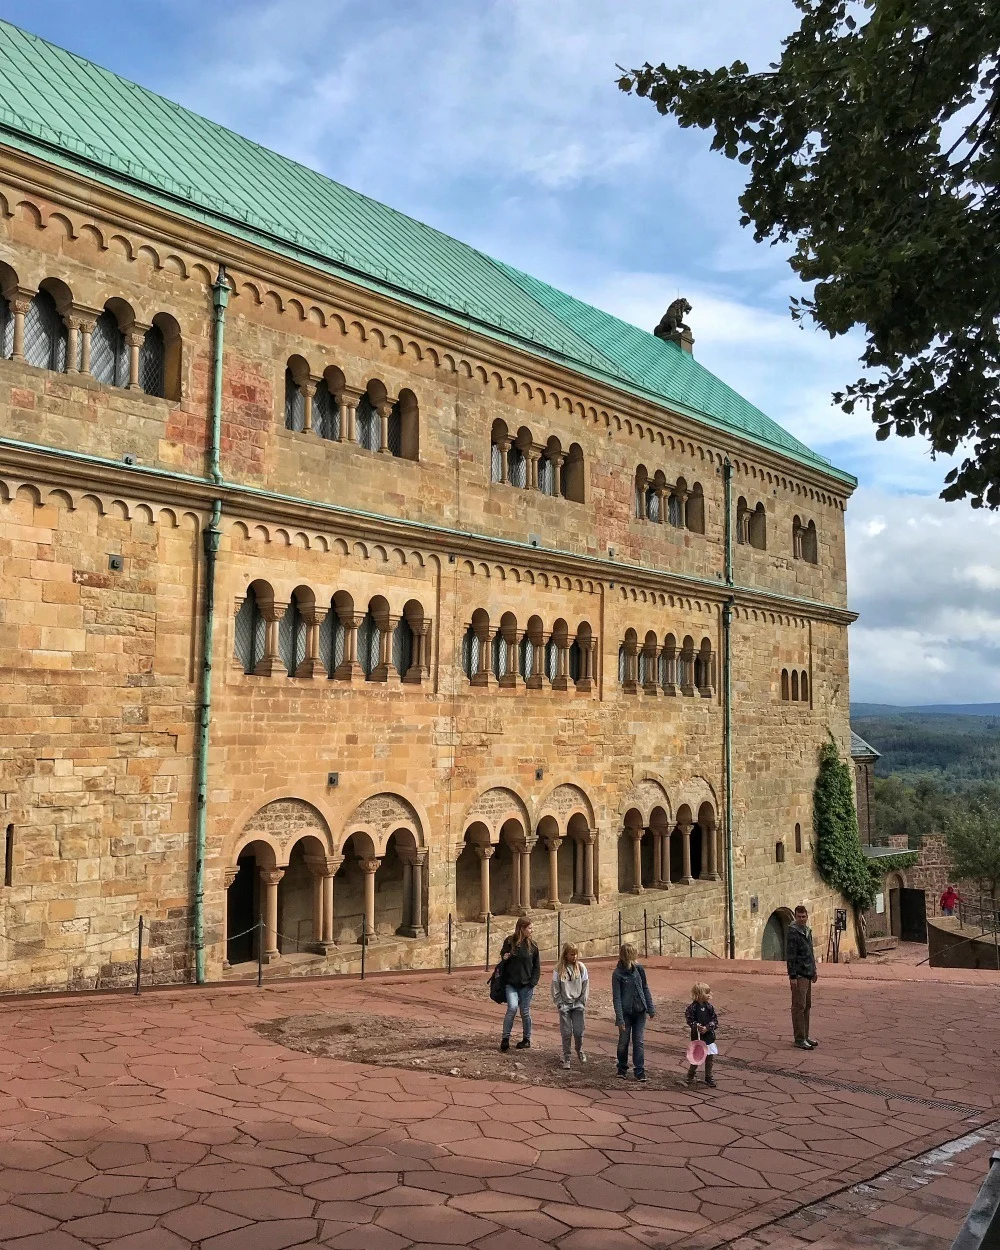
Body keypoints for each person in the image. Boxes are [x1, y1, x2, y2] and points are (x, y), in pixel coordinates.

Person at [612, 942, 655, 1081]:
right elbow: (616, 997)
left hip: (640, 1011)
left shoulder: (639, 969)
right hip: (626, 1013)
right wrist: (620, 1019)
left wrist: (650, 1007)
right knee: (623, 1042)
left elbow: (645, 987)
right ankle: (622, 1067)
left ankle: (639, 1070)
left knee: (639, 1042)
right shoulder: (617, 974)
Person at [498, 916, 540, 1052]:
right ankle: (505, 1038)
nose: (531, 931)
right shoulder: (510, 942)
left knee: (525, 1012)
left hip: (526, 985)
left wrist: (532, 982)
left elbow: (536, 967)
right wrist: (505, 956)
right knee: (512, 1008)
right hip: (511, 984)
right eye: (529, 928)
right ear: (522, 928)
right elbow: (503, 957)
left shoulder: (533, 946)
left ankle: (526, 1039)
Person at [551, 942, 589, 1069]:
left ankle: (579, 1049)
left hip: (578, 1004)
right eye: (572, 954)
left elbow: (585, 986)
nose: (574, 957)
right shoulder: (558, 969)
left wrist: (582, 1002)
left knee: (578, 1031)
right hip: (565, 1005)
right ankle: (567, 1057)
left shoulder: (581, 967)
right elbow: (555, 989)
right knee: (566, 1033)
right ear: (566, 955)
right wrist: (560, 1004)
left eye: (576, 954)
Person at [785, 905, 818, 1050]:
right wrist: (792, 976)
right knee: (799, 1006)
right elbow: (790, 956)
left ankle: (805, 1035)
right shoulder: (793, 932)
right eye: (799, 916)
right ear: (795, 917)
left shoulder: (807, 931)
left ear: (807, 916)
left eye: (804, 916)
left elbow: (810, 952)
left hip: (808, 973)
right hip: (799, 974)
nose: (802, 919)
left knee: (807, 1006)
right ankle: (799, 1038)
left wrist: (814, 970)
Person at [685, 982, 719, 1088]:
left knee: (710, 1058)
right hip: (698, 1037)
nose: (709, 995)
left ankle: (708, 1076)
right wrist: (697, 1026)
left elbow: (715, 1020)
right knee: (696, 1056)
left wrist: (708, 1027)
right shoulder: (692, 1008)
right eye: (707, 993)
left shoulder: (709, 1007)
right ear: (700, 994)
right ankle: (690, 1075)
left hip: (708, 1036)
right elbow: (689, 1020)